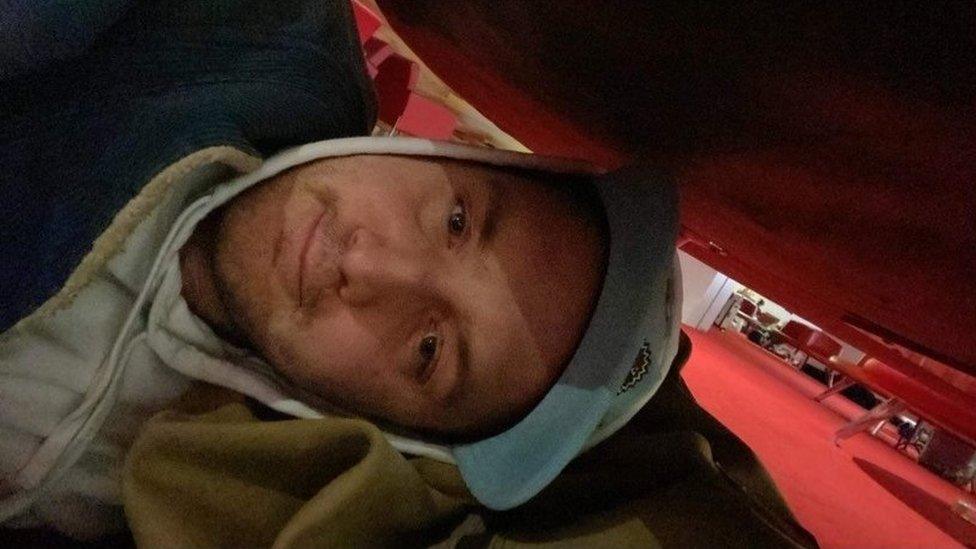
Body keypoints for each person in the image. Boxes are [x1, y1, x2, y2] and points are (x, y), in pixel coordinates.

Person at [0, 0, 683, 539]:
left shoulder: (183, 484)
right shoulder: (243, 29)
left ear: (394, 426)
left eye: (428, 350)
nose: (364, 262)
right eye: (456, 220)